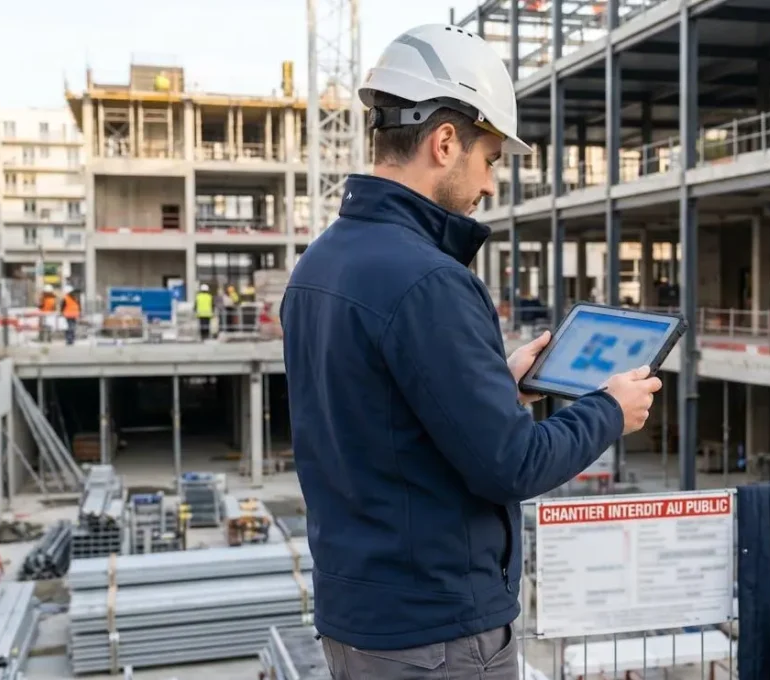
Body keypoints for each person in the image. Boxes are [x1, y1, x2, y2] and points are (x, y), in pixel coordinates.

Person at [281, 23, 663, 680]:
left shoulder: (318, 265)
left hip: (359, 622)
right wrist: (609, 410)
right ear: (444, 142)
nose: (488, 185)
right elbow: (513, 465)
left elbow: (378, 418)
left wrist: (496, 387)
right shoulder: (429, 280)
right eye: (489, 159)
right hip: (438, 635)